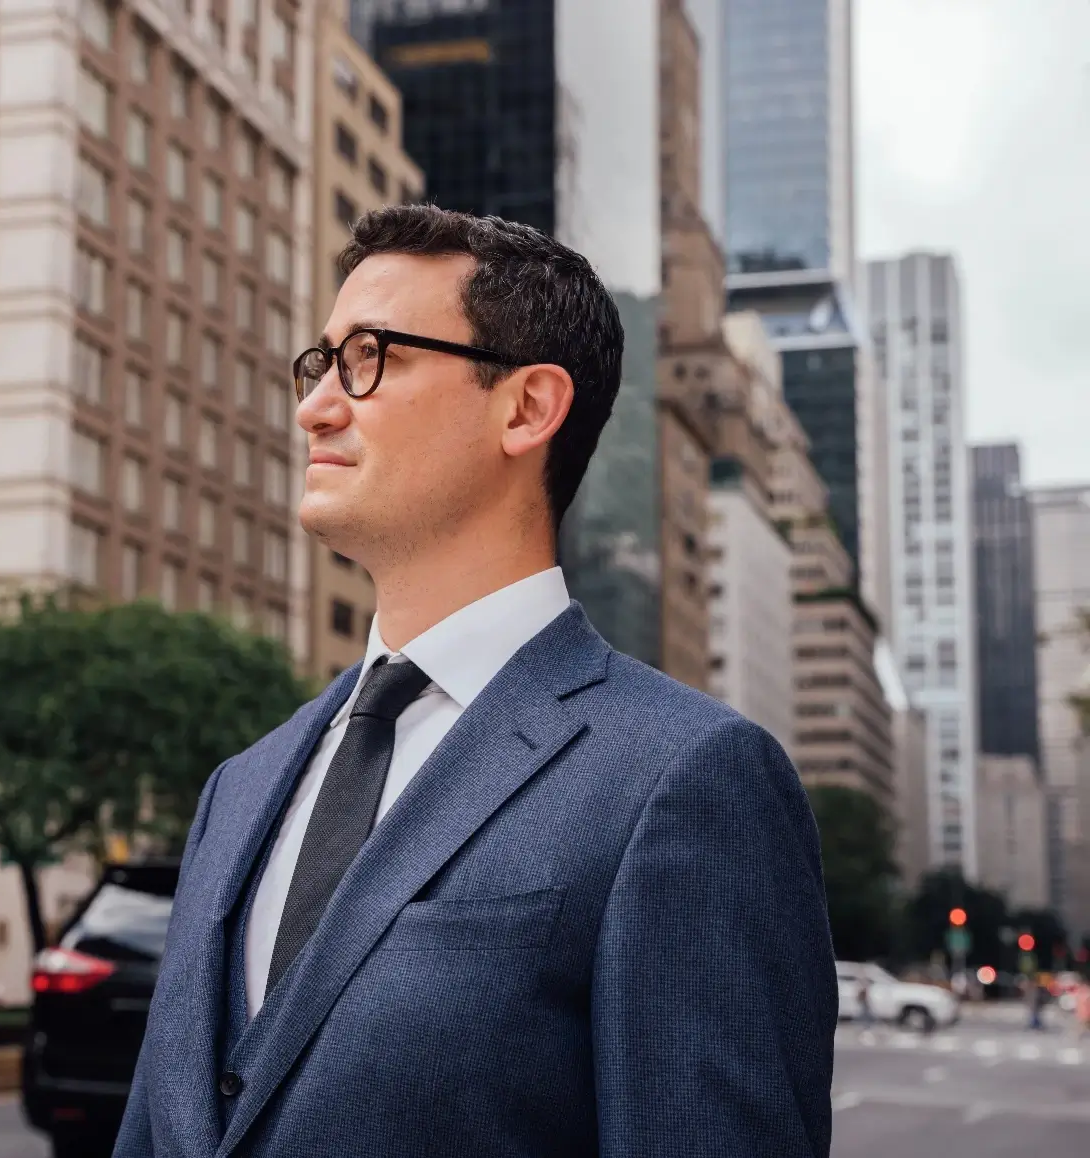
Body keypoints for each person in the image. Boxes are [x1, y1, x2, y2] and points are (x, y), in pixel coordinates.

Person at [112, 205, 837, 1158]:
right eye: (321, 361)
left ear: (528, 407)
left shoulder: (685, 779)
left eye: (372, 357)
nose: (317, 404)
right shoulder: (239, 787)